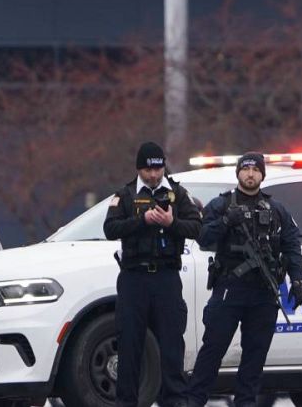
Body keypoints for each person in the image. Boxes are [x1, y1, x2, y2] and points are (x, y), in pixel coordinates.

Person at [183, 152, 302, 407]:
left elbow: (292, 246)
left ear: (262, 174)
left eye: (256, 170)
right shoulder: (222, 205)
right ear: (238, 173)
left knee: (255, 356)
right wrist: (227, 221)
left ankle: (245, 403)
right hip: (229, 289)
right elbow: (202, 236)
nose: (250, 174)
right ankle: (194, 401)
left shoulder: (277, 210)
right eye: (246, 169)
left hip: (263, 293)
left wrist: (296, 282)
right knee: (213, 349)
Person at [103, 142, 202, 407]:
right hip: (134, 279)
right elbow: (110, 229)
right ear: (139, 169)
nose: (154, 175)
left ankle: (174, 402)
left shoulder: (178, 194)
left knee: (171, 346)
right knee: (130, 346)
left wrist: (172, 223)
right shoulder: (124, 195)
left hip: (166, 279)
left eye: (158, 168)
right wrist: (142, 221)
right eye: (148, 169)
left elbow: (197, 227)